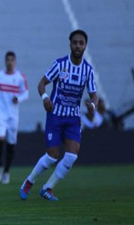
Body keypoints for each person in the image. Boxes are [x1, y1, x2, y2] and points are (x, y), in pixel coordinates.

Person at [20, 29, 98, 201]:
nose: (78, 46)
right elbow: (42, 84)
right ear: (70, 44)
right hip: (55, 115)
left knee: (71, 156)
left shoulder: (88, 70)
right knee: (52, 156)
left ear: (85, 46)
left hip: (73, 119)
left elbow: (94, 94)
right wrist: (45, 97)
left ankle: (47, 188)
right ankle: (29, 181)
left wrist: (92, 105)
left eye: (81, 43)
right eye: (75, 42)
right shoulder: (60, 65)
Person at [0, 51, 28, 184]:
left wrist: (19, 98)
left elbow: (26, 93)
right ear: (5, 61)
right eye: (8, 60)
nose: (10, 62)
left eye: (12, 60)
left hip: (13, 114)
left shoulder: (19, 77)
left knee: (11, 143)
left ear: (15, 61)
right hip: (1, 113)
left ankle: (6, 171)